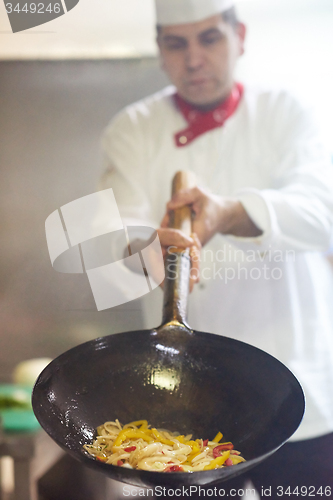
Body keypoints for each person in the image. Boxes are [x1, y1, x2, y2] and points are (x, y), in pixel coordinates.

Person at [100, 0, 333, 497]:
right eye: (177, 43)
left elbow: (323, 211)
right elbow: (115, 236)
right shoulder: (132, 127)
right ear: (160, 50)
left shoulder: (287, 110)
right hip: (185, 398)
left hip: (299, 386)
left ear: (240, 36)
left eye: (209, 39)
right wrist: (147, 244)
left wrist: (230, 213)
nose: (194, 59)